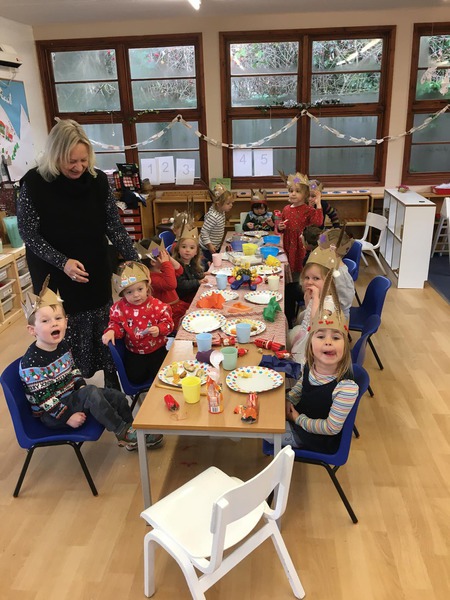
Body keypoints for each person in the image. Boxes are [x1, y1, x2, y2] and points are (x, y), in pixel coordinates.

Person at [17, 119, 139, 388]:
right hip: (53, 276)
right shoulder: (34, 183)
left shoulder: (98, 181)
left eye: (84, 160)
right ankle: (71, 394)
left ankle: (113, 393)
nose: (79, 167)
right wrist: (63, 262)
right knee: (61, 335)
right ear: (55, 155)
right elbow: (29, 234)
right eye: (71, 161)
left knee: (106, 331)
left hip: (93, 268)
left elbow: (113, 225)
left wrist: (135, 259)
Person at [19, 277, 162, 451]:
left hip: (70, 399)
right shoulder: (32, 362)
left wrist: (80, 386)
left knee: (117, 397)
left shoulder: (62, 345)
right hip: (52, 414)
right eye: (45, 321)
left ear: (66, 322)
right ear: (32, 330)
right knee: (90, 392)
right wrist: (67, 417)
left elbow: (73, 370)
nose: (54, 323)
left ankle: (133, 433)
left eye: (58, 318)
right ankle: (122, 431)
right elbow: (44, 399)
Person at [283, 275, 359, 454]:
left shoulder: (346, 387)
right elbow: (301, 386)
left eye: (336, 337)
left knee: (266, 431)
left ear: (345, 345)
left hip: (315, 438)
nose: (328, 342)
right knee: (266, 410)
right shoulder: (312, 365)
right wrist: (289, 399)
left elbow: (331, 428)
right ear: (310, 343)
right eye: (321, 336)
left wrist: (297, 418)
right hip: (300, 418)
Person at [288, 228, 355, 365]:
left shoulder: (337, 278)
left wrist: (317, 299)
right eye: (307, 278)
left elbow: (318, 321)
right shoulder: (326, 269)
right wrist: (310, 301)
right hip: (316, 323)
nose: (319, 247)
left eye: (322, 245)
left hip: (324, 333)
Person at [102, 261, 173, 387]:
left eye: (140, 289)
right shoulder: (119, 308)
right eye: (129, 292)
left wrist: (159, 329)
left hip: (157, 350)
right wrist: (111, 330)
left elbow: (169, 324)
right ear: (122, 293)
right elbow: (115, 323)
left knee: (165, 377)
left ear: (147, 287)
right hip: (134, 352)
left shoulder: (157, 306)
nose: (136, 295)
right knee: (136, 379)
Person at [277, 171, 324, 280]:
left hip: (301, 246)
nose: (293, 194)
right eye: (291, 191)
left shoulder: (308, 210)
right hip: (288, 243)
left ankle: (300, 284)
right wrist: (280, 227)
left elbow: (318, 222)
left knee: (300, 270)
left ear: (305, 195)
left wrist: (318, 203)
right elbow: (282, 227)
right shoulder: (286, 209)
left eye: (297, 191)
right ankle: (289, 283)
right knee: (288, 267)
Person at [136, 238, 189, 330]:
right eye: (163, 255)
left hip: (177, 305)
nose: (166, 258)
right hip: (168, 312)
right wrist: (166, 263)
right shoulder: (151, 278)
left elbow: (179, 270)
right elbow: (171, 285)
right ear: (153, 262)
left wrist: (168, 258)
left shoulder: (163, 270)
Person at [172, 222, 210, 304]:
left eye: (192, 248)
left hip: (194, 294)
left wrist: (202, 275)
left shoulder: (193, 263)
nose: (187, 250)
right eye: (184, 247)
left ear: (196, 252)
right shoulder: (177, 266)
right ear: (178, 249)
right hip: (185, 299)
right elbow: (181, 284)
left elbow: (194, 275)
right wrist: (198, 282)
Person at [199, 183, 234, 264]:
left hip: (214, 246)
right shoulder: (213, 216)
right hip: (206, 249)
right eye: (228, 203)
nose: (231, 205)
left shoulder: (221, 211)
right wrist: (209, 245)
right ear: (218, 204)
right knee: (209, 265)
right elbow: (204, 232)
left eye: (231, 203)